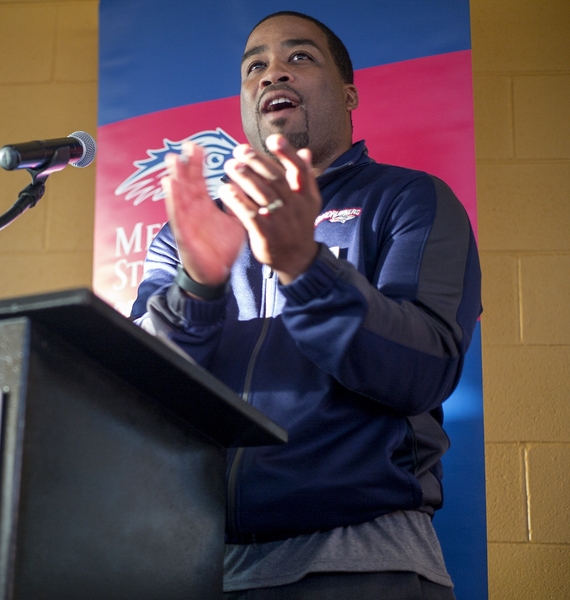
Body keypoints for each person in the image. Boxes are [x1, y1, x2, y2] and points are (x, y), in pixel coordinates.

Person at [130, 11, 481, 599]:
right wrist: (199, 287)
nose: (272, 75)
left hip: (360, 564)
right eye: (255, 66)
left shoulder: (409, 200)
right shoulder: (185, 236)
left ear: (348, 95)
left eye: (299, 57)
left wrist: (304, 266)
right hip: (196, 564)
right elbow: (145, 388)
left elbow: (423, 371)